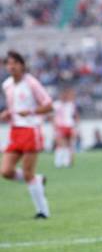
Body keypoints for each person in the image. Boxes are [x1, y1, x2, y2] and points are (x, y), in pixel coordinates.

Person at [1, 51, 53, 219]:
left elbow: (48, 105)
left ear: (22, 65)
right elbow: (13, 106)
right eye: (9, 63)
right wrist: (8, 113)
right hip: (15, 131)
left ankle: (43, 211)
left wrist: (31, 111)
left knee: (27, 172)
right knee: (6, 171)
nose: (12, 66)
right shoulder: (7, 85)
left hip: (31, 130)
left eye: (15, 62)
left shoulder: (31, 83)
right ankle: (38, 180)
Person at [53, 88, 79, 167]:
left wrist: (76, 126)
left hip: (69, 126)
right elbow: (52, 116)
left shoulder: (70, 104)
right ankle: (58, 162)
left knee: (69, 145)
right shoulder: (56, 104)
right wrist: (54, 126)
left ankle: (67, 162)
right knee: (61, 144)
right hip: (60, 126)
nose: (64, 96)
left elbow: (75, 115)